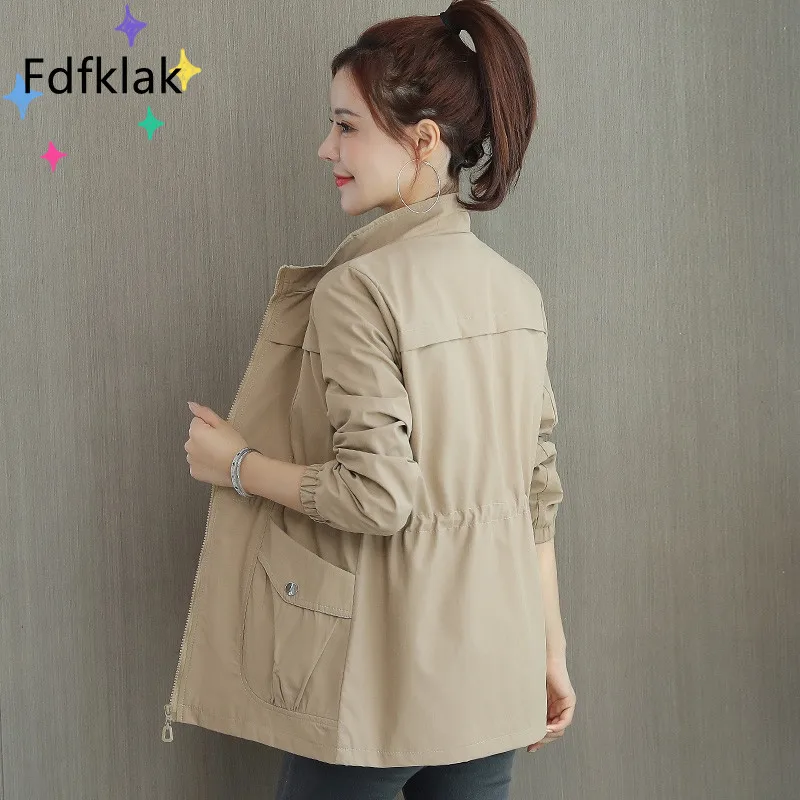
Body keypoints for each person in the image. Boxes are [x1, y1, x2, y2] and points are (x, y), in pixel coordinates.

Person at [270, 1, 576, 797]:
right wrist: (550, 650)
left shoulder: (357, 290)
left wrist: (237, 466)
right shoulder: (518, 293)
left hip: (384, 675)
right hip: (497, 665)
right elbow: (537, 498)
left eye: (346, 126)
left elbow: (377, 496)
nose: (326, 148)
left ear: (424, 140)